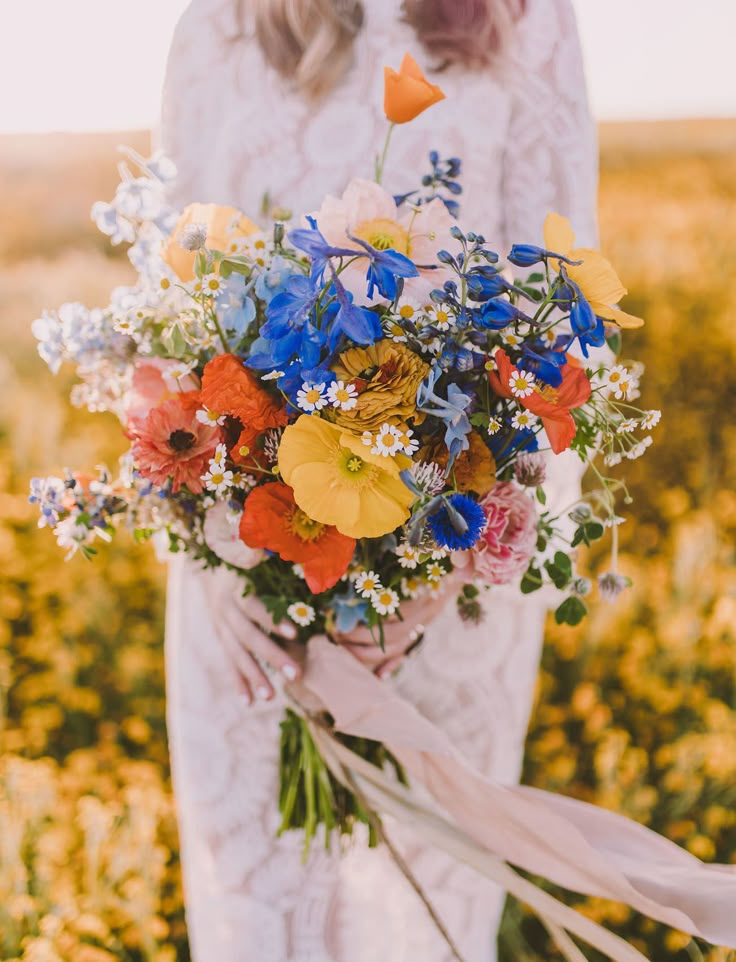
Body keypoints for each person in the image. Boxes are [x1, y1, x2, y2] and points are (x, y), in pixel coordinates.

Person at [160, 1, 598, 959]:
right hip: (243, 605)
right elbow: (162, 319)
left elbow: (556, 333)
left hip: (443, 597)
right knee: (257, 923)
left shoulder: (527, 23)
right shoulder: (218, 25)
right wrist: (211, 560)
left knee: (425, 925)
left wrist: (426, 582)